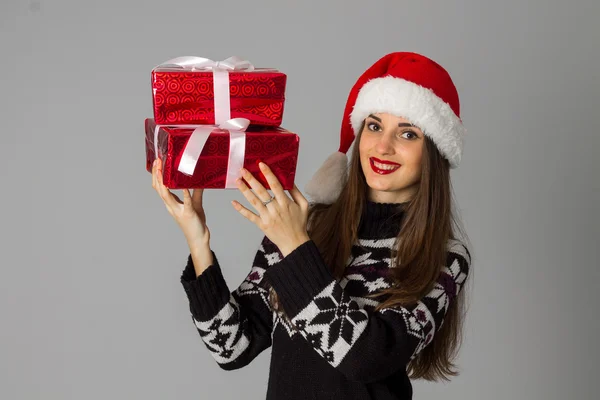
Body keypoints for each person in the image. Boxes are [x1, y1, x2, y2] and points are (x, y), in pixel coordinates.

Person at [151, 52, 472, 400]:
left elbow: (366, 358)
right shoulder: (309, 224)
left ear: (434, 152)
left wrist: (295, 247)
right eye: (374, 126)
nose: (383, 146)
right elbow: (231, 347)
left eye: (408, 134)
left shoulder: (444, 257)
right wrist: (198, 242)